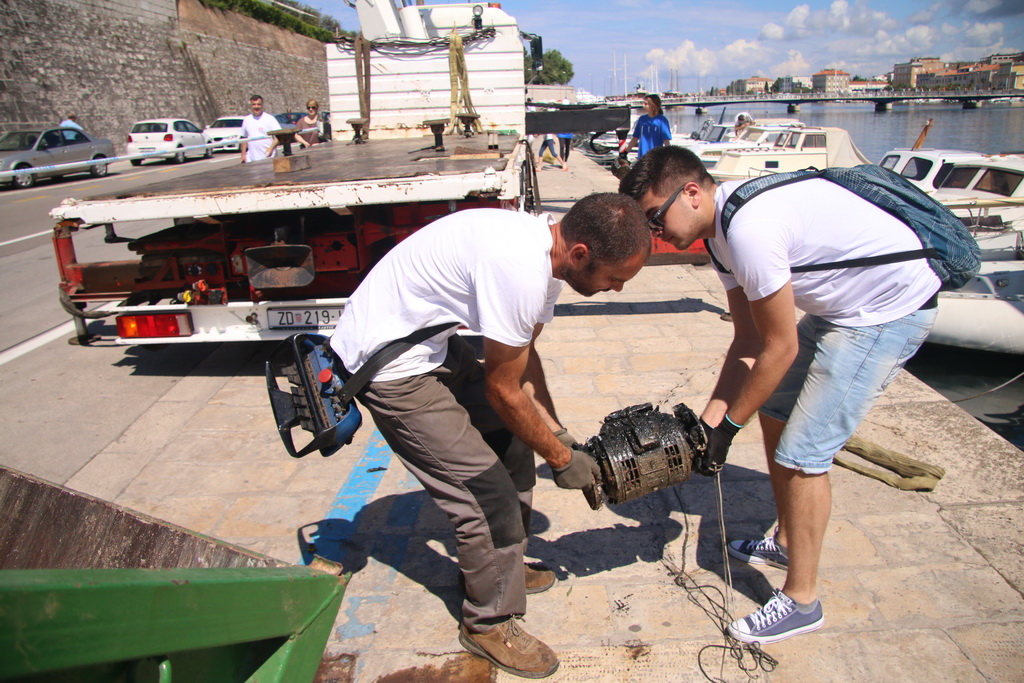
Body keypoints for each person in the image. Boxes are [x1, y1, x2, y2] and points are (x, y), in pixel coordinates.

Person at [618, 146, 940, 645]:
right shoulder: (719, 239)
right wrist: (710, 425)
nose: (656, 234)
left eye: (655, 220)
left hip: (887, 307)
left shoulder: (748, 230)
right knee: (772, 410)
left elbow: (780, 347)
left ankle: (802, 600)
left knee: (803, 453)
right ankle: (789, 541)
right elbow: (747, 341)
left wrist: (727, 429)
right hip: (844, 306)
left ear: (692, 192)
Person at [331, 194, 651, 678]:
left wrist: (555, 432)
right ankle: (487, 623)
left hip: (424, 341)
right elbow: (502, 390)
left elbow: (522, 368)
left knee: (514, 443)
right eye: (615, 279)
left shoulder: (550, 257)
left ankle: (505, 566)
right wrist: (563, 460)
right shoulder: (519, 267)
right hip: (390, 364)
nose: (616, 289)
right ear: (581, 253)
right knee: (487, 497)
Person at [620, 94, 672, 158]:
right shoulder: (642, 119)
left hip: (656, 157)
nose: (643, 105)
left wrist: (670, 156)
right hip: (642, 157)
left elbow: (666, 141)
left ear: (652, 106)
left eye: (645, 104)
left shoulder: (662, 120)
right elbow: (635, 138)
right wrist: (626, 152)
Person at [239, 95, 278, 163]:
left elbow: (279, 137)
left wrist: (271, 149)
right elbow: (244, 138)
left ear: (262, 105)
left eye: (259, 104)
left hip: (268, 157)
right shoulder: (246, 120)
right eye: (254, 104)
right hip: (251, 159)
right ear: (251, 106)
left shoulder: (270, 118)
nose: (256, 107)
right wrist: (243, 155)